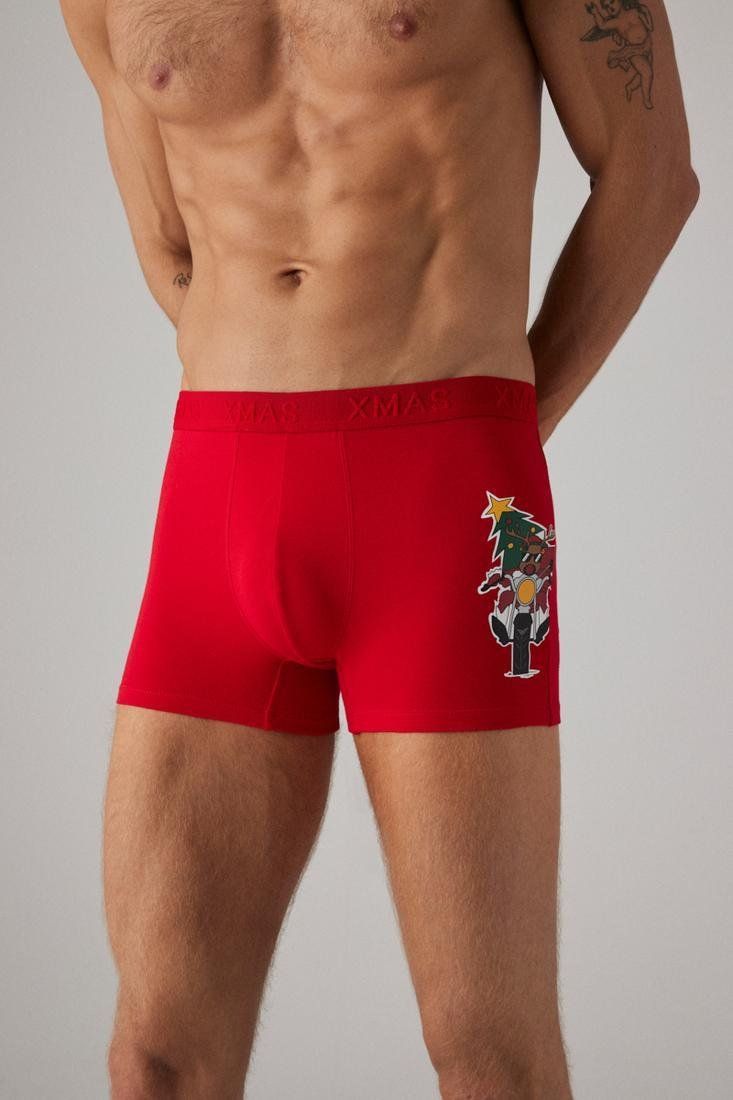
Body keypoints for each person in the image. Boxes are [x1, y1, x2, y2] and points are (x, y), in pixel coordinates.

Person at [60, 1, 697, 1097]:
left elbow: (651, 175)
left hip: (450, 488)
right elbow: (170, 243)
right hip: (221, 487)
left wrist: (494, 432)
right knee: (155, 1055)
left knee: (487, 1055)